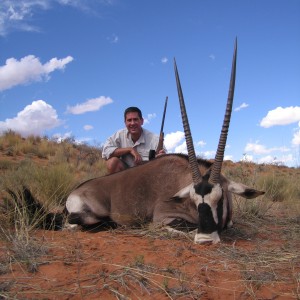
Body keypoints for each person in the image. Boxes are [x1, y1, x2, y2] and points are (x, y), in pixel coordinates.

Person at [102, 106, 166, 174]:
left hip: (147, 174)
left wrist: (162, 158)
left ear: (142, 121)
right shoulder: (119, 135)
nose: (132, 123)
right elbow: (105, 152)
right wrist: (129, 149)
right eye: (129, 120)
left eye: (135, 119)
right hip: (125, 175)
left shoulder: (154, 138)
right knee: (112, 162)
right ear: (125, 122)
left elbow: (165, 161)